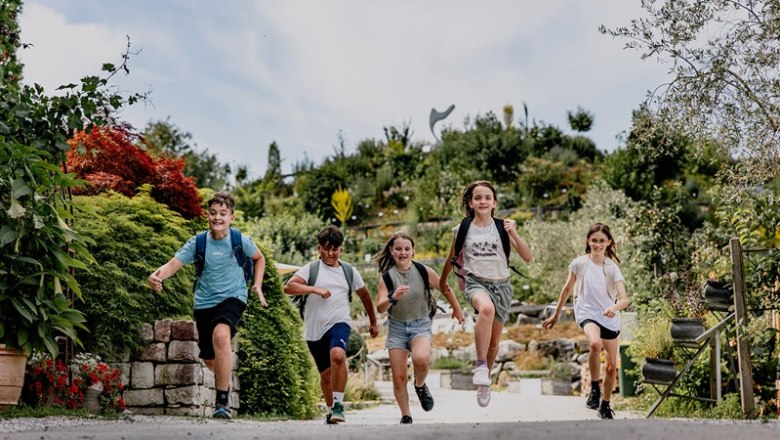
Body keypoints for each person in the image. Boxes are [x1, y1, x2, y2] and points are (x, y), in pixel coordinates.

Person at [147, 191, 267, 419]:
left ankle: (222, 403)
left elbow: (259, 258)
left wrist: (258, 285)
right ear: (207, 215)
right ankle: (224, 374)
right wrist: (156, 275)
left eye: (223, 213)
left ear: (231, 217)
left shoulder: (240, 240)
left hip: (233, 297)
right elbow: (173, 264)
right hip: (204, 303)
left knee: (222, 337)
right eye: (213, 213)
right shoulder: (199, 242)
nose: (217, 217)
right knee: (210, 359)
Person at [439, 180, 532, 408]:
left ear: (494, 202)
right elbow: (451, 259)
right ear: (470, 203)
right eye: (478, 198)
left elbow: (528, 257)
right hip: (475, 283)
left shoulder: (502, 227)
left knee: (494, 343)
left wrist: (515, 233)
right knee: (486, 310)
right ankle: (481, 365)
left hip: (502, 286)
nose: (483, 201)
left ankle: (485, 380)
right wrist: (443, 284)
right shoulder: (462, 229)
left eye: (487, 198)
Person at [283, 225, 379, 424]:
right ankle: (331, 411)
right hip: (314, 330)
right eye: (326, 248)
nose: (330, 253)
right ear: (319, 249)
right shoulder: (311, 269)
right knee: (326, 376)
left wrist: (373, 322)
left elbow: (365, 295)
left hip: (339, 323)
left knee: (338, 356)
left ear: (340, 250)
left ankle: (338, 405)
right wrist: (315, 289)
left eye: (334, 249)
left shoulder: (349, 271)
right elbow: (289, 287)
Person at [374, 231, 465, 424]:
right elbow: (380, 306)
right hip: (397, 328)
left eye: (407, 249)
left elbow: (445, 287)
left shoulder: (424, 271)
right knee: (398, 377)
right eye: (398, 249)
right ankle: (406, 415)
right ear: (391, 251)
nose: (402, 252)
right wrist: (393, 297)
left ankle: (420, 384)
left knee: (421, 359)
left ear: (413, 251)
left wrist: (457, 309)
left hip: (420, 324)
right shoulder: (387, 278)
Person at [542, 223, 630, 420]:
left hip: (609, 317)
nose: (597, 244)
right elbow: (566, 290)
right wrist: (556, 314)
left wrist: (613, 307)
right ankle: (595, 389)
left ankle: (605, 405)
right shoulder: (579, 263)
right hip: (586, 312)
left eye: (601, 241)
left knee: (610, 367)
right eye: (594, 240)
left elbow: (624, 299)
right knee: (594, 343)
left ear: (608, 243)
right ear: (588, 242)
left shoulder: (612, 268)